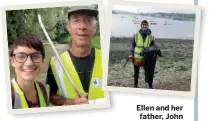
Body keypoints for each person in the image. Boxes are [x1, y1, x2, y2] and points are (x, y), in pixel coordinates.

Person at [46, 4, 104, 106]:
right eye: (76, 21)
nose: (82, 26)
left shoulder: (106, 59)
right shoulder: (55, 63)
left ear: (95, 28)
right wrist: (71, 102)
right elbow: (51, 96)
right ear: (69, 27)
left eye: (88, 20)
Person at [10, 35, 49, 109]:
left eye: (35, 56)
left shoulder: (44, 90)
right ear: (12, 61)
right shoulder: (6, 95)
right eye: (21, 56)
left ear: (42, 61)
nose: (29, 63)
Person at [129, 20, 161, 89]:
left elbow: (154, 46)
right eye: (143, 24)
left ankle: (150, 85)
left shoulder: (151, 37)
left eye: (145, 24)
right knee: (136, 73)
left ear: (147, 26)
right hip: (136, 57)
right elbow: (132, 46)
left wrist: (157, 49)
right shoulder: (136, 35)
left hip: (146, 58)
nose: (144, 26)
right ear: (141, 26)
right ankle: (135, 84)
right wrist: (131, 54)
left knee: (148, 72)